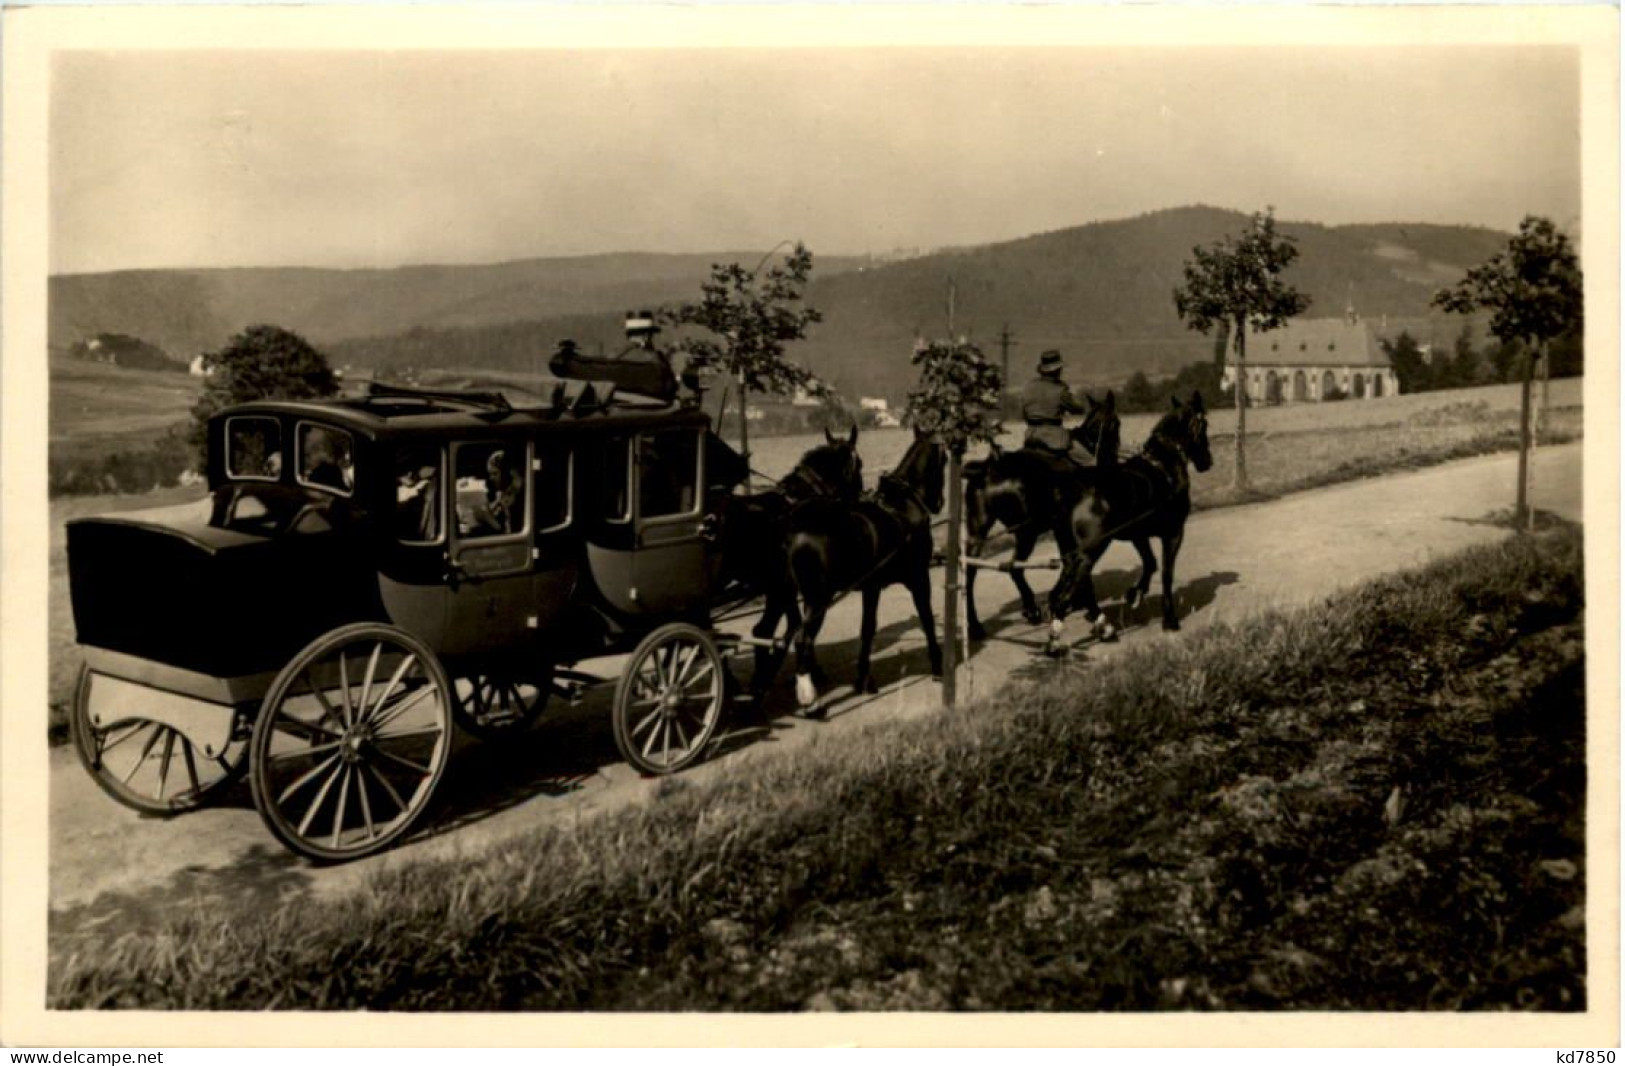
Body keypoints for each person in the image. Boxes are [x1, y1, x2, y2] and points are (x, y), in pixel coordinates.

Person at [1022, 349, 1091, 466]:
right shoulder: (1060, 390)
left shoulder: (1028, 387)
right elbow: (1078, 409)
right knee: (1091, 462)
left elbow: (1024, 413)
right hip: (1054, 438)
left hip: (1031, 436)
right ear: (1057, 370)